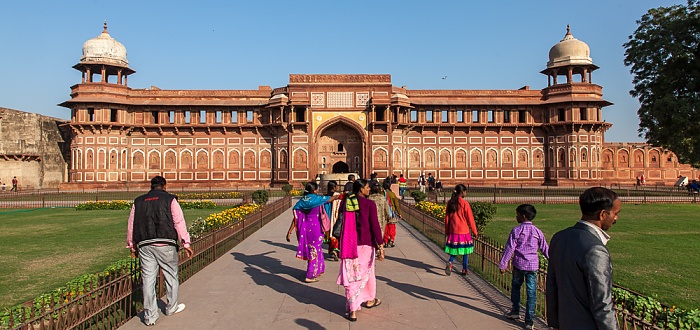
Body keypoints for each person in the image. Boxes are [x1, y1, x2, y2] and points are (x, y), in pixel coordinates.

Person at [546, 187, 621, 330]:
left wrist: (555, 323)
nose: (616, 218)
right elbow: (602, 303)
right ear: (603, 214)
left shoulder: (559, 238)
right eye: (615, 214)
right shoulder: (595, 250)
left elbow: (552, 286)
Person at [126, 176, 193, 326]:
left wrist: (132, 245)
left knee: (148, 280)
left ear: (151, 186)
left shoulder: (139, 201)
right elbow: (178, 221)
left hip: (145, 245)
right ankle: (171, 307)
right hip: (166, 243)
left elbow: (132, 224)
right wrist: (185, 243)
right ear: (164, 186)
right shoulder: (170, 200)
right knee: (171, 276)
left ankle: (150, 316)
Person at [336, 179, 385, 322]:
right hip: (365, 244)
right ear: (361, 189)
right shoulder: (369, 204)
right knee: (366, 273)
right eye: (368, 187)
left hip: (348, 244)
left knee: (351, 274)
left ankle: (364, 302)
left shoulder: (346, 202)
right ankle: (357, 306)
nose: (369, 189)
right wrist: (380, 246)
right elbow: (375, 225)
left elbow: (339, 219)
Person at [499, 204, 549, 330]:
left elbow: (510, 248)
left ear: (523, 216)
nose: (516, 217)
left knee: (516, 288)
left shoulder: (516, 231)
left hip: (519, 265)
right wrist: (553, 261)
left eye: (517, 215)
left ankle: (515, 311)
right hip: (532, 266)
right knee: (531, 293)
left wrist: (503, 264)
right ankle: (529, 320)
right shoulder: (537, 231)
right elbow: (545, 249)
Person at [286, 182, 339, 283]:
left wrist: (289, 231)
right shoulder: (317, 199)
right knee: (314, 250)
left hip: (305, 228)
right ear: (315, 190)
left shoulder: (302, 201)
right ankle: (310, 275)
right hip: (316, 228)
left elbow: (296, 218)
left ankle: (317, 270)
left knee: (313, 249)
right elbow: (330, 199)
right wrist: (337, 196)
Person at [444, 183, 478, 276]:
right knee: (465, 251)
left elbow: (447, 218)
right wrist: (475, 231)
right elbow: (470, 218)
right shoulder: (464, 203)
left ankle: (450, 262)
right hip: (463, 231)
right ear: (462, 192)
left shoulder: (450, 202)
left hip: (453, 230)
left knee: (454, 250)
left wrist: (447, 231)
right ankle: (464, 269)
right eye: (465, 191)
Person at [323, 180, 342, 261]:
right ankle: (335, 251)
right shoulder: (337, 195)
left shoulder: (325, 196)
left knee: (330, 235)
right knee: (336, 234)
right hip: (335, 217)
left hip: (327, 218)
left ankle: (332, 251)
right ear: (335, 187)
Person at [383, 180, 401, 248]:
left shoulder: (382, 194)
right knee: (392, 227)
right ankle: (392, 240)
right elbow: (396, 204)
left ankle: (386, 241)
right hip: (391, 213)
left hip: (384, 213)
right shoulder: (392, 194)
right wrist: (399, 213)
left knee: (386, 228)